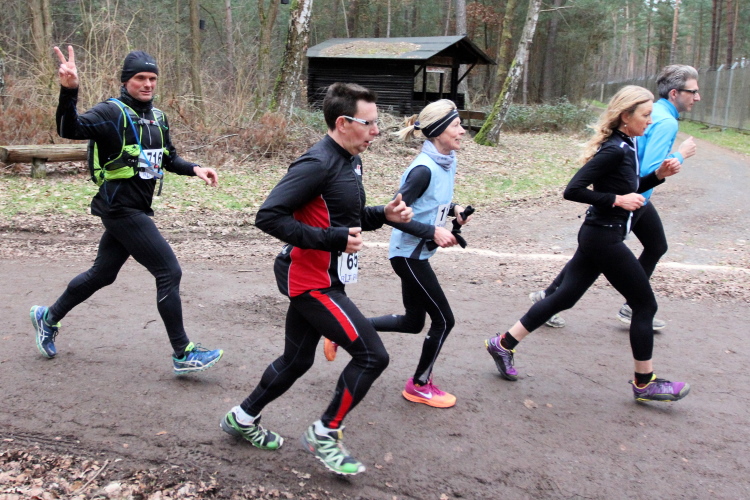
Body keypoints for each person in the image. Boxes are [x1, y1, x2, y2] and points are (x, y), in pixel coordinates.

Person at [219, 83, 412, 475]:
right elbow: (268, 217)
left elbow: (345, 218)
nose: (376, 131)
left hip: (328, 277)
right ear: (342, 123)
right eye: (369, 123)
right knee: (373, 356)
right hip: (310, 281)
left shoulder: (351, 160)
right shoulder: (316, 163)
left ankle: (241, 418)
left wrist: (382, 215)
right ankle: (324, 433)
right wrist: (331, 240)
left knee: (296, 360)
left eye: (377, 123)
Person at [485, 85, 690, 403]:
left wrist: (658, 175)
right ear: (626, 116)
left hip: (599, 235)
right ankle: (644, 382)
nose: (650, 121)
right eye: (646, 115)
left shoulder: (629, 144)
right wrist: (617, 200)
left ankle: (503, 344)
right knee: (645, 305)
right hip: (604, 238)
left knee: (564, 297)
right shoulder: (615, 149)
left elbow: (630, 185)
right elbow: (573, 190)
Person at [29, 46, 223, 375]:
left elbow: (168, 158)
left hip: (137, 208)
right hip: (120, 209)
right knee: (169, 271)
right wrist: (69, 90)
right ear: (125, 81)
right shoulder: (111, 112)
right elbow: (68, 128)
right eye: (140, 78)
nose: (147, 84)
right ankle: (183, 353)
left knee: (103, 274)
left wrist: (195, 169)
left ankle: (47, 317)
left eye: (152, 79)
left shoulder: (157, 118)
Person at [530, 65, 700, 330]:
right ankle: (628, 305)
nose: (697, 97)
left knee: (649, 246)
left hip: (633, 194)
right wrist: (681, 155)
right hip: (633, 197)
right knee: (600, 254)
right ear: (675, 93)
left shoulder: (654, 113)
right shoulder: (666, 122)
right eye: (693, 91)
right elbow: (647, 168)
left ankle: (550, 299)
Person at [346, 99, 471, 409]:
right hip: (408, 257)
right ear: (439, 130)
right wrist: (432, 232)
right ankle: (419, 385)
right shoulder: (422, 170)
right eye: (456, 125)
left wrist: (454, 210)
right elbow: (393, 215)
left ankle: (344, 330)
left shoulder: (447, 159)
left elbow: (432, 202)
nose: (462, 131)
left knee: (414, 322)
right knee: (444, 321)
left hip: (420, 254)